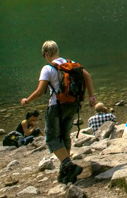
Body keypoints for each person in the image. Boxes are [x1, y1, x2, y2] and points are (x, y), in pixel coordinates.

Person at [20, 41, 96, 184]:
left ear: (46, 53)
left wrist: (27, 101)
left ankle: (69, 166)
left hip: (56, 106)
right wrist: (92, 96)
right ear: (57, 51)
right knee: (64, 136)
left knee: (52, 138)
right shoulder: (72, 63)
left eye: (44, 55)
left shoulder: (47, 68)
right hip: (73, 105)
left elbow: (40, 91)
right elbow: (88, 77)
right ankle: (65, 173)